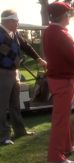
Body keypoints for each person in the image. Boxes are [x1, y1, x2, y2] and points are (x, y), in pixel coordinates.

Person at [43, 2, 74, 163]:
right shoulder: (60, 33)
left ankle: (66, 146)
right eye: (68, 14)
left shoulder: (50, 31)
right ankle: (56, 157)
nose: (69, 16)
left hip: (59, 78)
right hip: (63, 80)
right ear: (63, 16)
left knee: (65, 115)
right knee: (61, 118)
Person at [0, 9, 47, 145]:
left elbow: (26, 46)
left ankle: (20, 131)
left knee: (15, 103)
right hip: (2, 73)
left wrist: (38, 59)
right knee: (2, 106)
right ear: (8, 21)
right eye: (16, 21)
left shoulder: (15, 33)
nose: (18, 23)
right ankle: (3, 136)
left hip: (15, 72)